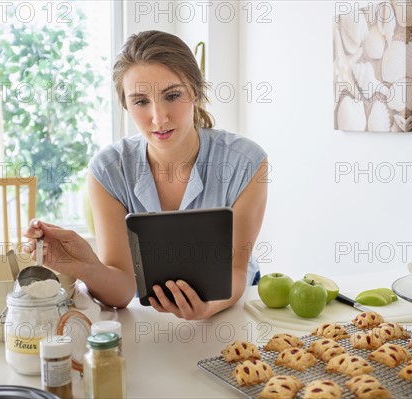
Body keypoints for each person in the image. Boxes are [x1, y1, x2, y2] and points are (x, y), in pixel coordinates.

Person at [23, 30, 268, 320]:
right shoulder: (108, 170)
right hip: (147, 321)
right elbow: (122, 290)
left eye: (173, 95)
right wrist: (85, 266)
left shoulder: (246, 162)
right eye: (141, 101)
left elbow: (237, 270)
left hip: (231, 311)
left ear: (196, 91)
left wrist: (207, 307)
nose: (159, 117)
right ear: (126, 105)